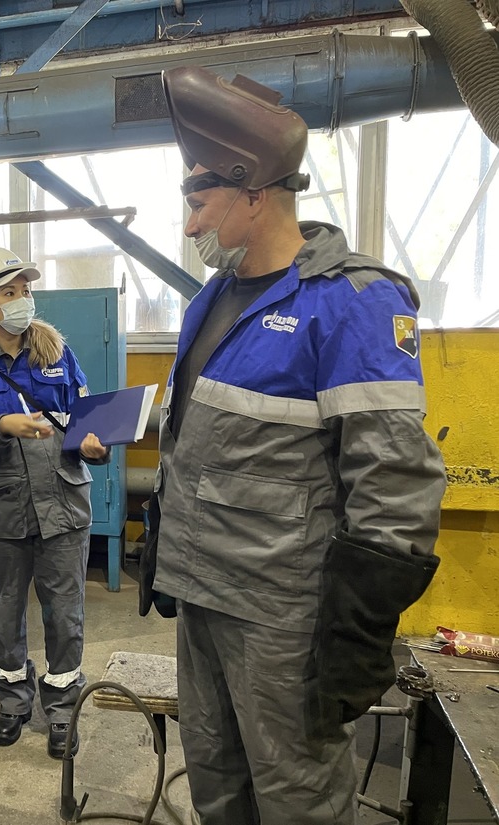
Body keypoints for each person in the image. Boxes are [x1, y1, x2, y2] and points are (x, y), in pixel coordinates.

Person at [146, 66, 446, 823]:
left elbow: (396, 483)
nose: (189, 226)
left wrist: (358, 632)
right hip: (204, 597)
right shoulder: (211, 299)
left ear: (255, 191)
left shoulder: (354, 302)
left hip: (285, 620)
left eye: (200, 202)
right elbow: (200, 443)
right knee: (218, 785)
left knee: (299, 803)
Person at [0, 248, 108, 759]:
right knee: (7, 613)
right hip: (2, 513)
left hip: (63, 508)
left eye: (25, 290)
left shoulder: (58, 355)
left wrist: (93, 444)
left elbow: (83, 422)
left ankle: (61, 708)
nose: (22, 301)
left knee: (65, 614)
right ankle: (13, 702)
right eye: (9, 293)